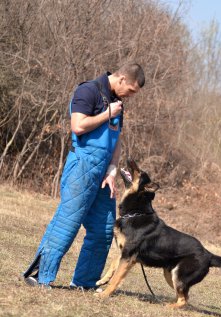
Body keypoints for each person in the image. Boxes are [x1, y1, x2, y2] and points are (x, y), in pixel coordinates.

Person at [22, 63, 145, 289]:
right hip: (82, 165)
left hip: (103, 173)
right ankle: (38, 276)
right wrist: (108, 113)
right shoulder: (88, 91)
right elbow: (78, 126)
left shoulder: (118, 104)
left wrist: (112, 170)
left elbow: (116, 139)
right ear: (121, 80)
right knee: (67, 223)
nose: (131, 96)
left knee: (104, 229)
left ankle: (84, 283)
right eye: (131, 90)